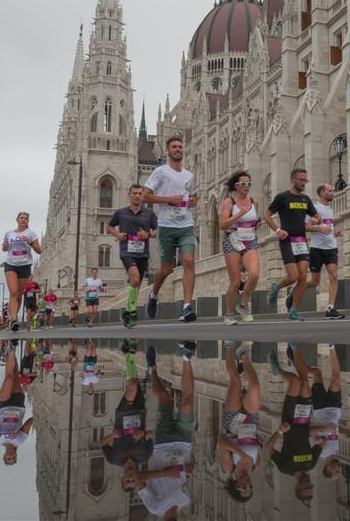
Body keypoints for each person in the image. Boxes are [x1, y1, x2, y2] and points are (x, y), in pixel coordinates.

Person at [123, 340, 197, 519]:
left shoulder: (154, 508)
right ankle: (187, 356)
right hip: (184, 444)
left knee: (164, 397)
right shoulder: (185, 500)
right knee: (187, 402)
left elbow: (139, 479)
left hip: (163, 444)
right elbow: (183, 474)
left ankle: (152, 369)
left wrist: (164, 473)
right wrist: (188, 468)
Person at [143, 136, 199, 323]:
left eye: (180, 147)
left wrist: (189, 202)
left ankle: (186, 307)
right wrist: (168, 200)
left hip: (186, 225)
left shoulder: (189, 175)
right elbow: (145, 197)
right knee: (166, 269)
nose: (178, 149)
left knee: (189, 261)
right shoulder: (160, 172)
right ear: (168, 151)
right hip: (166, 225)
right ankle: (154, 294)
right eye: (174, 147)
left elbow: (185, 198)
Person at [266, 344, 331, 503]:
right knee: (304, 381)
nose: (309, 485)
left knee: (294, 381)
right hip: (303, 417)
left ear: (297, 488)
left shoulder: (285, 468)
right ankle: (294, 348)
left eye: (306, 488)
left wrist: (280, 432)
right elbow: (322, 444)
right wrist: (322, 440)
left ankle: (279, 370)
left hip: (289, 420)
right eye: (311, 487)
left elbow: (268, 448)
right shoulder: (311, 464)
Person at [263, 169, 321, 321]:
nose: (303, 182)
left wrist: (316, 220)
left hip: (301, 241)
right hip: (287, 240)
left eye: (305, 180)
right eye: (301, 179)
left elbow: (316, 216)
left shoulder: (305, 199)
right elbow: (266, 215)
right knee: (293, 276)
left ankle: (293, 310)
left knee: (303, 276)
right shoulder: (282, 197)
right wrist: (277, 230)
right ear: (293, 180)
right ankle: (276, 287)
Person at [108, 184, 159, 328]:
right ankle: (132, 311)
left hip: (143, 254)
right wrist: (118, 234)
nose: (137, 196)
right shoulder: (121, 213)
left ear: (143, 196)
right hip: (126, 252)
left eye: (139, 193)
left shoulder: (149, 214)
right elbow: (110, 227)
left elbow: (157, 230)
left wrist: (147, 234)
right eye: (134, 193)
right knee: (135, 278)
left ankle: (127, 312)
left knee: (136, 285)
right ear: (129, 195)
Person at [101, 339, 154, 467]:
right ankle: (127, 353)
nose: (130, 478)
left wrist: (112, 435)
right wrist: (144, 434)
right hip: (139, 413)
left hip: (123, 415)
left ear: (122, 479)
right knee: (134, 380)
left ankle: (130, 353)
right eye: (132, 480)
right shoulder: (144, 458)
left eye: (127, 481)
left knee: (133, 385)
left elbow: (102, 443)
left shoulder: (113, 459)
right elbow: (152, 436)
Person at [218, 341, 260, 501]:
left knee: (235, 381)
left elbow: (222, 442)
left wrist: (241, 454)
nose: (248, 484)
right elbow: (258, 443)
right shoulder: (255, 465)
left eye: (244, 487)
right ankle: (244, 355)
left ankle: (228, 345)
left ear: (235, 485)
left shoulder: (229, 467)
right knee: (255, 387)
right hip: (251, 421)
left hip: (233, 423)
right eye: (250, 487)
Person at [298, 183, 346, 319]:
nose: (333, 193)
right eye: (330, 191)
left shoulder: (330, 209)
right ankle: (295, 291)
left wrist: (335, 234)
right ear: (322, 192)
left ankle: (331, 309)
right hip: (316, 248)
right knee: (314, 282)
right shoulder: (313, 208)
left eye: (333, 191)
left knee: (334, 276)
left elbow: (327, 227)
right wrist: (319, 228)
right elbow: (305, 227)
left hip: (331, 247)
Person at [218, 171, 260, 326]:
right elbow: (222, 225)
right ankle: (229, 314)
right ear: (236, 186)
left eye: (249, 184)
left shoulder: (254, 202)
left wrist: (256, 223)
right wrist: (239, 214)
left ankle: (243, 304)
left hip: (250, 240)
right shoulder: (229, 202)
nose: (246, 187)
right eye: (243, 184)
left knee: (254, 274)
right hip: (233, 240)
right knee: (235, 282)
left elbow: (254, 221)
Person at [0, 339, 34, 465]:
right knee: (15, 374)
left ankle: (13, 347)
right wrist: (19, 431)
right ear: (16, 455)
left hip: (3, 407)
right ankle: (11, 351)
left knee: (9, 378)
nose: (11, 456)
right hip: (17, 405)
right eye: (13, 458)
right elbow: (31, 421)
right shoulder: (20, 441)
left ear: (4, 456)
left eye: (8, 458)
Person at [308, 345, 343, 480]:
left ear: (327, 469)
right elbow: (334, 431)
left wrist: (321, 431)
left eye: (336, 471)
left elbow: (308, 432)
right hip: (335, 410)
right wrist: (340, 422)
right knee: (336, 380)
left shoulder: (318, 453)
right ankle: (332, 346)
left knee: (317, 373)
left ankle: (295, 362)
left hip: (320, 409)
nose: (338, 469)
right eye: (339, 471)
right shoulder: (336, 449)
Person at [2, 212, 42, 331]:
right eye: (22, 218)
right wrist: (5, 243)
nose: (24, 220)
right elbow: (4, 248)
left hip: (25, 265)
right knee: (13, 292)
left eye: (26, 218)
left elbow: (39, 250)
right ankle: (14, 320)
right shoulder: (9, 233)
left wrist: (29, 241)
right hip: (11, 264)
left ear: (28, 221)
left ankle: (13, 318)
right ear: (17, 219)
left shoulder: (31, 233)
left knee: (19, 294)